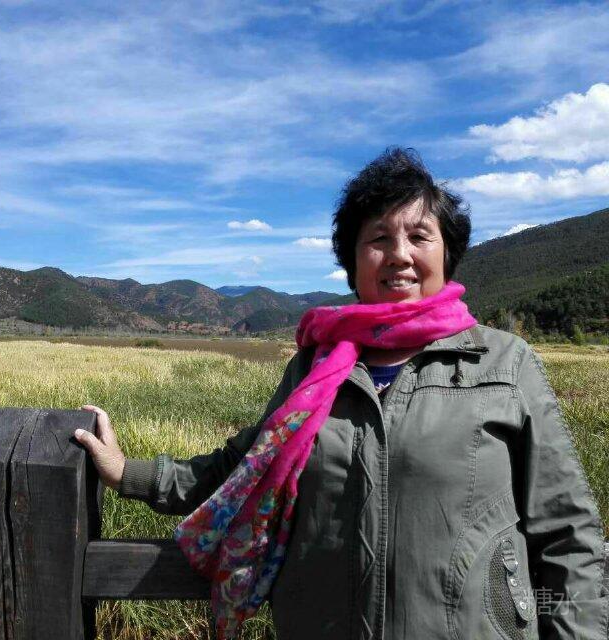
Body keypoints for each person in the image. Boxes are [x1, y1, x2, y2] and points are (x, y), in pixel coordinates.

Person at [74, 148, 608, 640]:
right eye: (378, 238)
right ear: (353, 260)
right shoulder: (312, 368)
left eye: (419, 236)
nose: (399, 255)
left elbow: (567, 533)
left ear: (448, 253)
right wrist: (127, 473)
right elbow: (243, 468)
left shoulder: (503, 361)